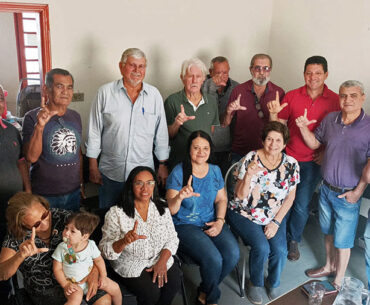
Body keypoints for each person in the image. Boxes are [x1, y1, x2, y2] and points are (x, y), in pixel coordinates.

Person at [296, 80, 370, 288]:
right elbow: (316, 143)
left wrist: (358, 192)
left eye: (353, 95)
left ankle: (338, 279)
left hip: (349, 195)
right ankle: (329, 266)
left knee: (344, 240)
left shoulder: (368, 126)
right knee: (327, 231)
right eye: (343, 95)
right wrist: (303, 128)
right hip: (326, 188)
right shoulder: (331, 119)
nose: (347, 100)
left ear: (362, 97)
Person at [268, 55, 340, 261]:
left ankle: (294, 240)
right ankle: (276, 236)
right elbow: (278, 128)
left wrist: (325, 152)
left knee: (300, 204)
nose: (313, 77)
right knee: (280, 199)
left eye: (318, 73)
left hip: (312, 162)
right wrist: (273, 115)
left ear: (326, 74)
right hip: (288, 158)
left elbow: (338, 132)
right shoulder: (291, 96)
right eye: (309, 73)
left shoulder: (335, 100)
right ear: (304, 74)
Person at [86, 48, 169, 209]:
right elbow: (94, 132)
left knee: (141, 221)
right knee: (108, 219)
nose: (137, 71)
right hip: (111, 172)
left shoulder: (154, 95)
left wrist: (163, 164)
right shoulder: (105, 93)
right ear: (121, 66)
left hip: (143, 175)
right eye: (132, 65)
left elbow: (161, 134)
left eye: (142, 66)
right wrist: (92, 166)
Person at [227, 121, 300, 304]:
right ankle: (256, 283)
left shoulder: (291, 164)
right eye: (269, 139)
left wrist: (276, 222)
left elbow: (290, 198)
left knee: (281, 249)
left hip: (273, 214)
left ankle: (274, 282)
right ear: (263, 141)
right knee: (262, 247)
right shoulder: (251, 159)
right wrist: (249, 175)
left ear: (284, 144)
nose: (273, 144)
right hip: (244, 212)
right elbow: (239, 195)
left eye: (278, 140)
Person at [166, 130, 240, 305]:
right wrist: (180, 196)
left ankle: (205, 289)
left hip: (211, 220)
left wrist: (220, 221)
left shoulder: (215, 171)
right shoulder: (179, 171)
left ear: (210, 150)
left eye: (205, 148)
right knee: (214, 259)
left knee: (232, 254)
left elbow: (222, 199)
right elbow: (171, 210)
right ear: (189, 149)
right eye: (196, 147)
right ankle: (210, 299)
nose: (201, 152)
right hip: (185, 225)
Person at [0, 192, 110, 305]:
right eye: (36, 224)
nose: (45, 223)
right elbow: (2, 274)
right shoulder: (16, 236)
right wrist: (20, 255)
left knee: (104, 300)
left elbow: (91, 251)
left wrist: (93, 273)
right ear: (22, 224)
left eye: (44, 215)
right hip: (46, 289)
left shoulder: (66, 218)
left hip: (80, 276)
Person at [99, 166, 181, 305]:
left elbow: (172, 238)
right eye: (139, 183)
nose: (145, 188)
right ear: (131, 186)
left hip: (159, 257)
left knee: (174, 283)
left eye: (150, 183)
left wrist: (162, 262)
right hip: (130, 262)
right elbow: (105, 251)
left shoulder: (162, 206)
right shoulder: (116, 213)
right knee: (151, 293)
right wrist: (123, 241)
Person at [22, 68, 83, 211]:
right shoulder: (32, 117)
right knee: (46, 232)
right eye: (59, 86)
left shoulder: (75, 117)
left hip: (73, 191)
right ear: (46, 89)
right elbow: (31, 157)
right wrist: (40, 126)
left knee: (70, 232)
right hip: (45, 194)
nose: (65, 92)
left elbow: (77, 152)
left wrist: (80, 183)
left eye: (69, 87)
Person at [223, 54, 285, 164]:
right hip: (240, 152)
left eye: (266, 68)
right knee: (236, 181)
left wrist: (273, 114)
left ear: (270, 70)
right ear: (251, 70)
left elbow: (278, 130)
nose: (262, 72)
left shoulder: (278, 93)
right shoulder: (238, 90)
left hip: (267, 153)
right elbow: (225, 123)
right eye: (257, 68)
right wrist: (228, 112)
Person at [0, 85, 31, 304]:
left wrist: (28, 193)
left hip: (11, 206)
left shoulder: (11, 130)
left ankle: (10, 291)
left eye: (0, 98)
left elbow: (21, 163)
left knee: (10, 248)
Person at [52, 212, 122, 305]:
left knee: (115, 287)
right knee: (75, 299)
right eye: (66, 228)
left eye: (72, 231)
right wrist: (65, 285)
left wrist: (103, 276)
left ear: (84, 236)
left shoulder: (91, 245)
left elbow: (99, 260)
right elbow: (57, 269)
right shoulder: (62, 247)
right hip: (74, 285)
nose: (66, 233)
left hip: (91, 281)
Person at [164, 58, 219, 170]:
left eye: (198, 76)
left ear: (203, 78)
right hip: (180, 164)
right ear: (182, 78)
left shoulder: (212, 101)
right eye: (190, 76)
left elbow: (211, 131)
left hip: (205, 165)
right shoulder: (172, 101)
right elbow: (167, 136)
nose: (194, 80)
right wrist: (177, 123)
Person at [201, 56, 239, 175]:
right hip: (204, 146)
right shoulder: (200, 85)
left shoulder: (236, 88)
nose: (222, 76)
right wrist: (212, 86)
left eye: (225, 72)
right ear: (210, 72)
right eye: (218, 73)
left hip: (226, 147)